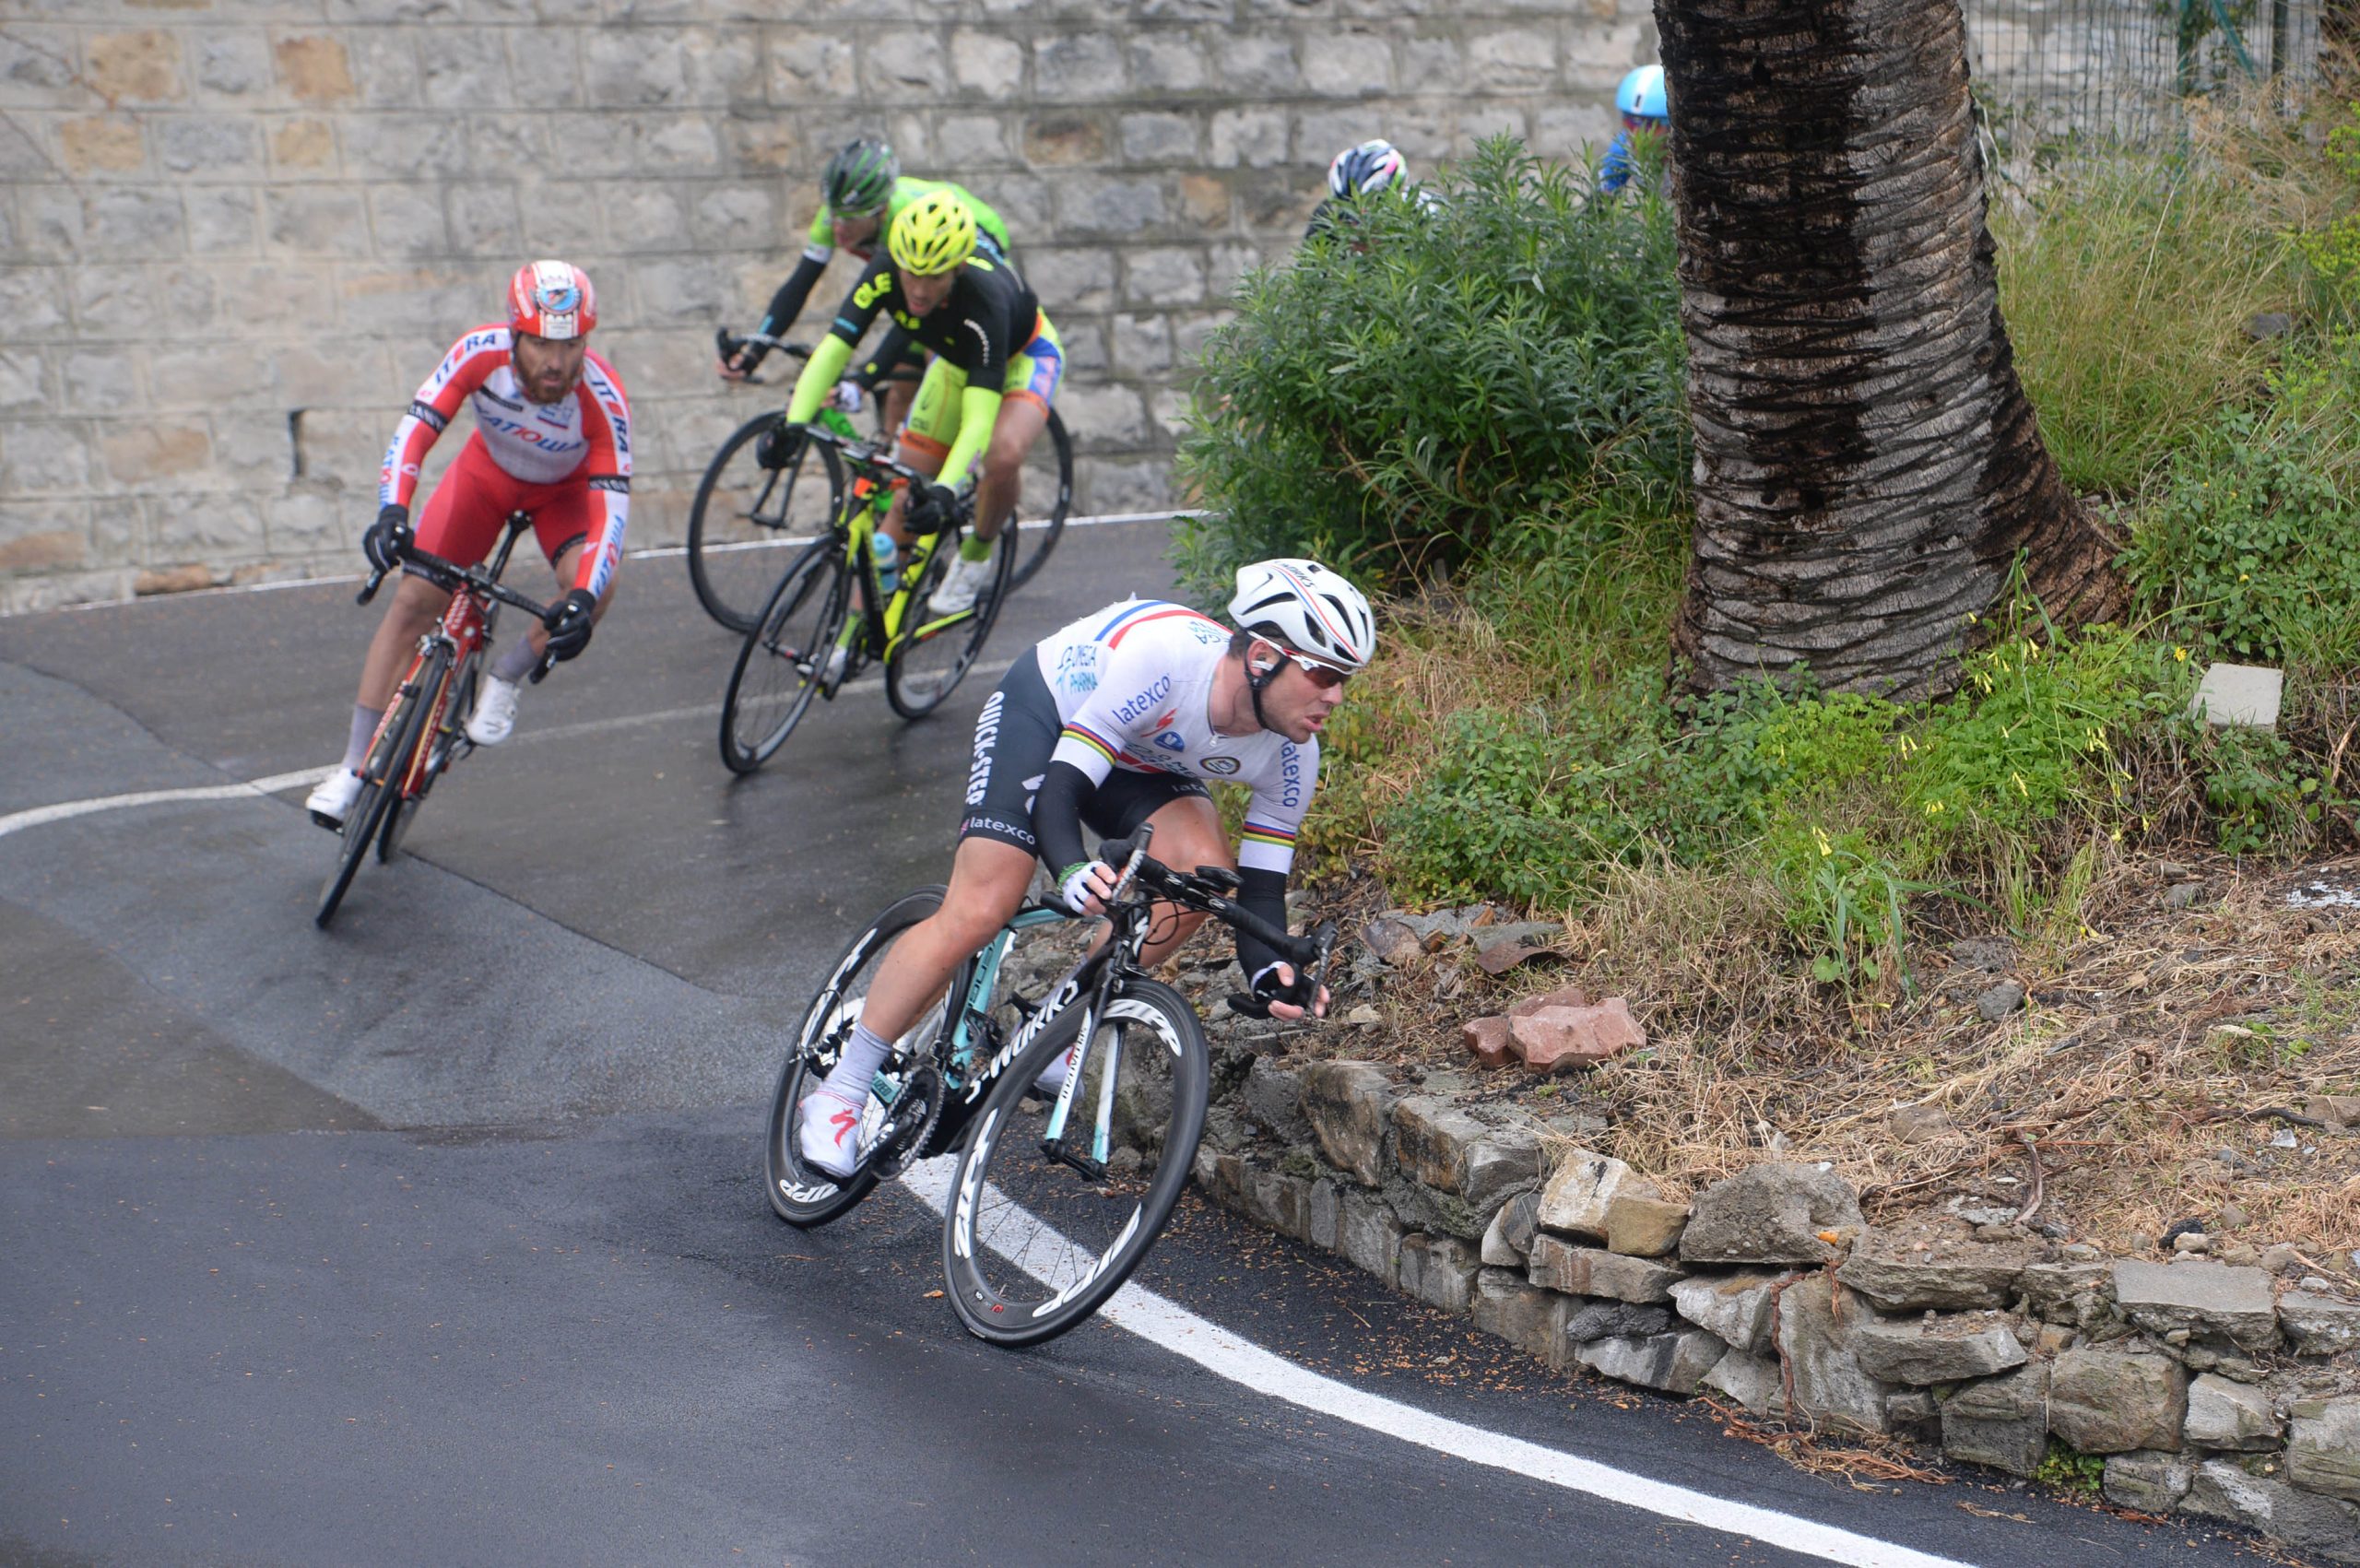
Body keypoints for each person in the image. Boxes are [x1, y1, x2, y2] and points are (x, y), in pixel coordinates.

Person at [795, 559, 1377, 1178]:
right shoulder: (1166, 660)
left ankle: (1063, 1021)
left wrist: (1271, 973)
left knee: (1202, 874)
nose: (1335, 695)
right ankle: (840, 1091)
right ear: (1262, 658)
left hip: (1141, 755)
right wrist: (1071, 867)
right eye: (1321, 672)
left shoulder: (1294, 756)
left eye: (1344, 677)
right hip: (1049, 712)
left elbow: (1259, 891)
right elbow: (1061, 790)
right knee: (986, 903)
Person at [304, 260, 630, 828]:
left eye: (572, 344)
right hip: (485, 478)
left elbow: (610, 515)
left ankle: (505, 675)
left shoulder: (603, 398)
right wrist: (392, 511)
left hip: (565, 495)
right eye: (540, 345)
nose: (556, 363)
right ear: (514, 335)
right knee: (411, 605)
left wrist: (581, 600)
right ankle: (353, 770)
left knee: (598, 588)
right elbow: (417, 427)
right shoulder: (479, 352)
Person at [772, 189, 1060, 620]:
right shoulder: (884, 272)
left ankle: (975, 556)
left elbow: (978, 420)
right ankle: (853, 638)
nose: (919, 291)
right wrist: (792, 424)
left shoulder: (984, 299)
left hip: (1024, 356)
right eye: (911, 275)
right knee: (907, 485)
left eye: (935, 277)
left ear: (958, 269)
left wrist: (947, 491)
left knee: (1003, 454)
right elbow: (834, 350)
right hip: (954, 361)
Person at [717, 136, 1016, 437]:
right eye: (834, 217)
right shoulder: (838, 212)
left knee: (933, 348)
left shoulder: (905, 224)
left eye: (850, 221)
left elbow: (915, 312)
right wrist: (755, 353)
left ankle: (957, 442)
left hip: (977, 238)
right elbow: (800, 284)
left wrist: (865, 379)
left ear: (880, 211)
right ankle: (894, 466)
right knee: (898, 397)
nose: (838, 229)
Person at [1304, 137, 1410, 241]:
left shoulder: (1415, 217)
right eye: (1346, 219)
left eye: (1370, 216)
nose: (1356, 230)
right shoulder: (1325, 216)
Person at [1600, 65, 1669, 195]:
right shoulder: (1622, 149)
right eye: (1630, 122)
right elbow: (1598, 205)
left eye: (1649, 125)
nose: (1636, 134)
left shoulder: (1693, 159)